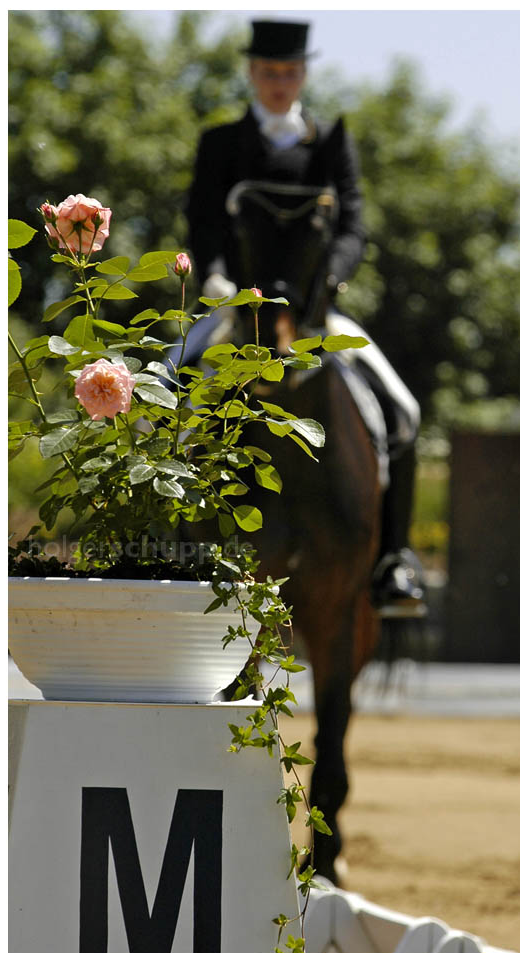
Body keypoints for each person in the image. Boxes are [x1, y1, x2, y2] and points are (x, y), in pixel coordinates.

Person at [185, 19, 424, 615]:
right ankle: (157, 545)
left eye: (289, 73)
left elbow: (352, 227)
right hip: (234, 306)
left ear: (302, 75)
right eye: (269, 73)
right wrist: (215, 276)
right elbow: (203, 221)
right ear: (252, 73)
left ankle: (394, 560)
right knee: (158, 398)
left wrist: (332, 281)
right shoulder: (222, 143)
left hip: (316, 313)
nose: (278, 83)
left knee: (404, 412)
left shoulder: (330, 142)